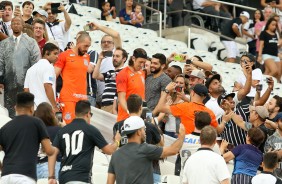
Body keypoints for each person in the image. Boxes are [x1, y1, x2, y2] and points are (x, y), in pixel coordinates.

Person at [48, 100, 121, 184]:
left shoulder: (62, 131)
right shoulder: (91, 130)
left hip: (64, 177)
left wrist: (51, 176)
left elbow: (52, 153)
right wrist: (117, 141)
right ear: (88, 114)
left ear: (75, 114)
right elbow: (109, 150)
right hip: (81, 177)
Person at [107, 116, 186, 184]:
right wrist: (181, 136)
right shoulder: (145, 149)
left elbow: (109, 182)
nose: (145, 132)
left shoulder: (115, 155)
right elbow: (173, 150)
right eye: (143, 129)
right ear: (138, 132)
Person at [0, 92, 55, 183]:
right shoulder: (36, 123)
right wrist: (55, 149)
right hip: (25, 176)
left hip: (6, 177)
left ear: (15, 108)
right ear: (32, 109)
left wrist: (2, 167)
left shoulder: (6, 127)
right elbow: (49, 151)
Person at [112, 94, 164, 182]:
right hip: (149, 170)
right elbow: (161, 145)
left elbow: (115, 146)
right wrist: (155, 127)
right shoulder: (150, 126)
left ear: (127, 107)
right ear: (141, 107)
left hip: (125, 169)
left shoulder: (118, 125)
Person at [0, 16, 41, 118]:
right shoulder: (4, 44)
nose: (16, 25)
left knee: (26, 109)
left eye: (18, 23)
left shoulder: (31, 42)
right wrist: (1, 79)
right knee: (9, 111)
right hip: (9, 83)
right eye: (13, 23)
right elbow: (0, 62)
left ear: (23, 25)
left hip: (26, 83)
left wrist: (33, 80)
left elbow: (36, 62)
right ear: (11, 26)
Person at [54, 32, 93, 124]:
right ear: (78, 42)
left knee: (84, 127)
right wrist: (55, 96)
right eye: (85, 46)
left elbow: (84, 76)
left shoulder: (87, 57)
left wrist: (86, 95)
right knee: (68, 126)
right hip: (68, 98)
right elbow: (53, 76)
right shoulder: (64, 55)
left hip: (83, 99)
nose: (87, 49)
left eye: (89, 46)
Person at [155, 83, 223, 134]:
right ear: (205, 97)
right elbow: (218, 130)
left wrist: (166, 91)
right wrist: (224, 121)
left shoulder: (184, 107)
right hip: (201, 145)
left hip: (186, 144)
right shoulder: (209, 112)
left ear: (192, 93)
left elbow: (160, 107)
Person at [87, 21, 122, 107]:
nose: (106, 43)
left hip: (111, 100)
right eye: (104, 42)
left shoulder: (116, 55)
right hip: (97, 100)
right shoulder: (97, 58)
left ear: (114, 45)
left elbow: (116, 35)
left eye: (109, 42)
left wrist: (98, 27)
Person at [24, 43, 59, 111]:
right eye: (55, 53)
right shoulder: (49, 67)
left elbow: (26, 90)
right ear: (47, 53)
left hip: (33, 108)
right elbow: (47, 86)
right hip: (46, 109)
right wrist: (54, 106)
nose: (57, 56)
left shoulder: (30, 69)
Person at [116, 48, 147, 122]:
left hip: (139, 117)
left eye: (144, 63)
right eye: (140, 62)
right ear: (133, 58)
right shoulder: (123, 74)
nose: (142, 65)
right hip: (125, 118)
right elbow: (121, 99)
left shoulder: (142, 73)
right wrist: (130, 113)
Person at [92, 48, 128, 114]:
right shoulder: (109, 72)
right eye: (113, 56)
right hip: (104, 105)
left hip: (114, 105)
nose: (114, 58)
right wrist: (100, 59)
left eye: (117, 56)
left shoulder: (125, 72)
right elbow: (95, 76)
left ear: (124, 59)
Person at [34, 102, 62, 180]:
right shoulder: (59, 130)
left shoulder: (32, 131)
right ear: (52, 114)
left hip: (34, 170)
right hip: (52, 169)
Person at [258, 17, 281, 82]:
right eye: (272, 25)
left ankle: (275, 88)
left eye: (275, 25)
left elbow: (275, 46)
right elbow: (261, 45)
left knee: (278, 74)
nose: (274, 27)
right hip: (267, 55)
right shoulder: (264, 33)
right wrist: (259, 55)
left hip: (275, 55)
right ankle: (262, 82)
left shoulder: (275, 34)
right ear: (268, 24)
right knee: (274, 70)